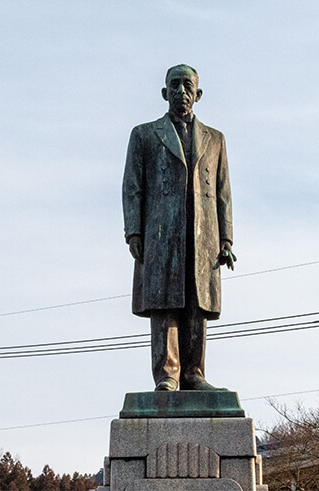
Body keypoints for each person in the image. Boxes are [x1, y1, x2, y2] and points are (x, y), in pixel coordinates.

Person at [122, 64, 236, 391]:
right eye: (174, 85)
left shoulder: (215, 140)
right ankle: (167, 374)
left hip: (203, 237)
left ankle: (194, 373)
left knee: (196, 303)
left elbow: (223, 191)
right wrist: (134, 231)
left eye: (188, 86)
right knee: (164, 303)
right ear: (164, 92)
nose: (181, 92)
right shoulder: (144, 135)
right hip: (161, 234)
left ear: (198, 95)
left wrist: (226, 239)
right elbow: (133, 186)